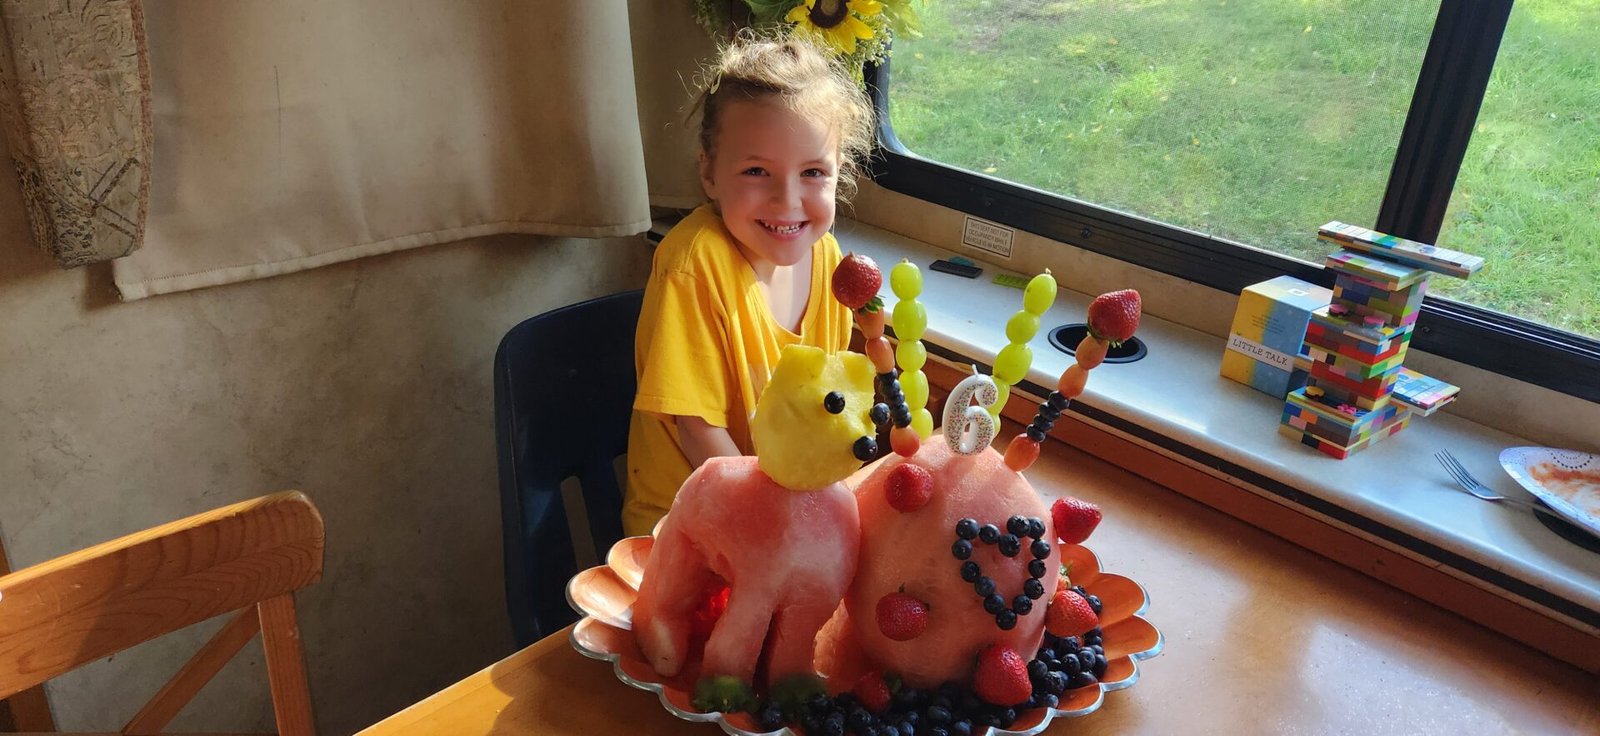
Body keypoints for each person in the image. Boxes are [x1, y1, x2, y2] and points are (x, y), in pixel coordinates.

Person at [623, 36, 874, 536]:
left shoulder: (826, 256)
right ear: (709, 173)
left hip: (786, 516)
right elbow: (699, 433)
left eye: (812, 173)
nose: (787, 201)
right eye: (756, 171)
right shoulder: (693, 264)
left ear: (838, 173)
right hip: (689, 530)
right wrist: (786, 528)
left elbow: (824, 416)